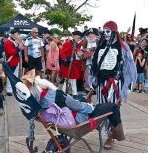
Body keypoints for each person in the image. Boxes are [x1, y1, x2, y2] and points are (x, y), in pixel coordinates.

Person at [21, 69, 125, 142]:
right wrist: (91, 107)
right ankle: (117, 135)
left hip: (62, 120)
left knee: (79, 97)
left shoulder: (36, 104)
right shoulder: (56, 95)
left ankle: (86, 97)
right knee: (113, 107)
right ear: (38, 84)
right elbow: (78, 107)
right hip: (79, 119)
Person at [91, 21, 137, 149]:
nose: (105, 34)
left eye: (107, 31)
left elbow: (129, 68)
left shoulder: (123, 48)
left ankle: (111, 136)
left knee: (113, 109)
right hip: (101, 83)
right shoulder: (100, 46)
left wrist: (127, 86)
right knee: (101, 109)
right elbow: (94, 65)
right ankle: (107, 132)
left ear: (114, 31)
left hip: (115, 84)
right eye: (103, 31)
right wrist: (92, 79)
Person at [60, 31, 84, 98]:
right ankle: (66, 93)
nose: (79, 38)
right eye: (78, 36)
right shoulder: (68, 43)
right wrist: (68, 58)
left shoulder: (75, 44)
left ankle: (73, 93)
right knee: (67, 79)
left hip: (73, 64)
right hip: (67, 64)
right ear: (74, 36)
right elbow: (62, 53)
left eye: (79, 37)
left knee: (73, 79)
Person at [80, 28, 100, 103]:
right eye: (89, 34)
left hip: (99, 66)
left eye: (92, 34)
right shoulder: (85, 43)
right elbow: (81, 54)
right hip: (88, 65)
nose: (90, 35)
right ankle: (89, 104)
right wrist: (83, 54)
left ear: (96, 35)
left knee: (99, 84)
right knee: (88, 85)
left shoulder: (100, 42)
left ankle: (99, 103)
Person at [4, 29, 23, 96]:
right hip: (11, 61)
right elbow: (10, 52)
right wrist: (18, 48)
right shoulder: (8, 42)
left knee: (14, 76)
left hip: (15, 61)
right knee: (10, 76)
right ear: (13, 34)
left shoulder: (14, 41)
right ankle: (9, 90)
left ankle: (13, 88)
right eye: (16, 34)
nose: (17, 35)